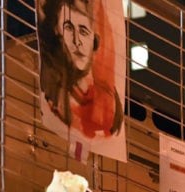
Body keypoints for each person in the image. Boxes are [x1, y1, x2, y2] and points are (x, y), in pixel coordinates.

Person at [39, 0, 123, 138]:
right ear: (59, 32)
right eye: (69, 28)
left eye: (83, 31)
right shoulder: (54, 98)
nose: (76, 41)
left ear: (94, 40)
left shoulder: (109, 107)